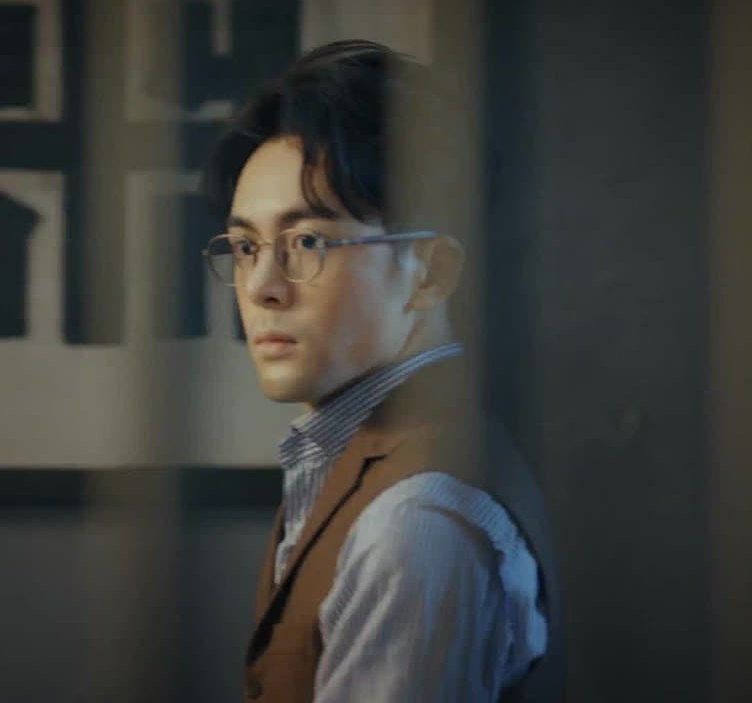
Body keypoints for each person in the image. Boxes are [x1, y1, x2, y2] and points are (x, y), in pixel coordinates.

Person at [202, 40, 563, 702]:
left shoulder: (415, 519)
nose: (260, 287)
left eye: (307, 241)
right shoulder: (381, 458)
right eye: (246, 246)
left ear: (430, 273)